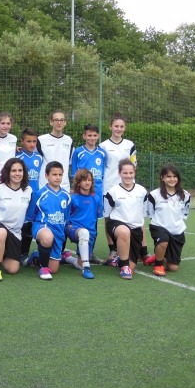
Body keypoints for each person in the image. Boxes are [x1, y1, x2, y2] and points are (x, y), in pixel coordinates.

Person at [100, 113, 150, 265]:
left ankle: (143, 252)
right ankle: (113, 250)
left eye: (121, 126)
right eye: (116, 126)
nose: (118, 129)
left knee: (137, 217)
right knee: (108, 218)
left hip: (129, 188)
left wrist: (129, 179)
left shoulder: (130, 144)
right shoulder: (103, 146)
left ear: (125, 128)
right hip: (109, 187)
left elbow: (133, 164)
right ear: (110, 127)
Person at [0, 158, 32, 282]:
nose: (17, 173)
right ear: (7, 172)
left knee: (12, 269)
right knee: (1, 232)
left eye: (20, 170)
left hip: (15, 232)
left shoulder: (28, 191)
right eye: (13, 170)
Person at [103, 159, 149, 280]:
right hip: (117, 225)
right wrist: (112, 245)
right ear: (119, 173)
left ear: (134, 173)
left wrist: (144, 250)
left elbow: (141, 219)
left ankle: (118, 260)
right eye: (125, 173)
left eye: (131, 173)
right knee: (124, 231)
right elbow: (107, 217)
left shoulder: (142, 191)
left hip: (135, 230)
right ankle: (124, 267)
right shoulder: (112, 192)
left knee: (132, 266)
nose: (128, 176)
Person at [25, 161, 71, 280]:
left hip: (58, 231)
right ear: (46, 176)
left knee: (54, 269)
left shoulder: (66, 196)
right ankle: (43, 268)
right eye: (54, 174)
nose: (57, 177)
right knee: (47, 237)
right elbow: (31, 215)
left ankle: (37, 256)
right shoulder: (39, 194)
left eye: (60, 175)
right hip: (42, 227)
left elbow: (66, 218)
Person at [70, 124, 107, 264]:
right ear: (84, 136)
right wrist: (75, 189)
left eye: (94, 135)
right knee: (79, 218)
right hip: (81, 193)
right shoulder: (78, 152)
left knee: (93, 221)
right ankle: (77, 250)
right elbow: (74, 173)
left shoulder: (102, 153)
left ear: (98, 136)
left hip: (96, 193)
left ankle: (89, 252)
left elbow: (103, 172)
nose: (92, 138)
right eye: (89, 135)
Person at [146, 164, 191, 276]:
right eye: (168, 176)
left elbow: (184, 213)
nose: (172, 179)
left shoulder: (185, 195)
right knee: (163, 240)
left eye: (174, 176)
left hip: (177, 231)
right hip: (159, 227)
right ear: (162, 178)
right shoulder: (154, 195)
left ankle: (158, 256)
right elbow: (151, 214)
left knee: (173, 268)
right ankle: (158, 265)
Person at [63, 169, 102, 280]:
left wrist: (93, 234)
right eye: (84, 180)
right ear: (78, 182)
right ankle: (87, 268)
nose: (87, 182)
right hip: (74, 229)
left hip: (90, 233)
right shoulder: (72, 198)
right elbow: (66, 217)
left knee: (79, 264)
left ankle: (67, 258)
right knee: (84, 233)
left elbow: (96, 218)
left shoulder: (96, 198)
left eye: (89, 180)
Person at [16, 128, 43, 264]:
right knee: (20, 223)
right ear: (22, 141)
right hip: (21, 194)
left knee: (30, 223)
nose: (32, 144)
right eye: (28, 141)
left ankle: (25, 253)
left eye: (34, 141)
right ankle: (17, 252)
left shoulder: (39, 157)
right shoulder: (17, 157)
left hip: (35, 195)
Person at [37, 110, 73, 192]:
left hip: (64, 186)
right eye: (56, 120)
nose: (59, 123)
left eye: (61, 120)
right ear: (51, 122)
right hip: (45, 185)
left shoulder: (69, 140)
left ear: (65, 122)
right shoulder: (41, 140)